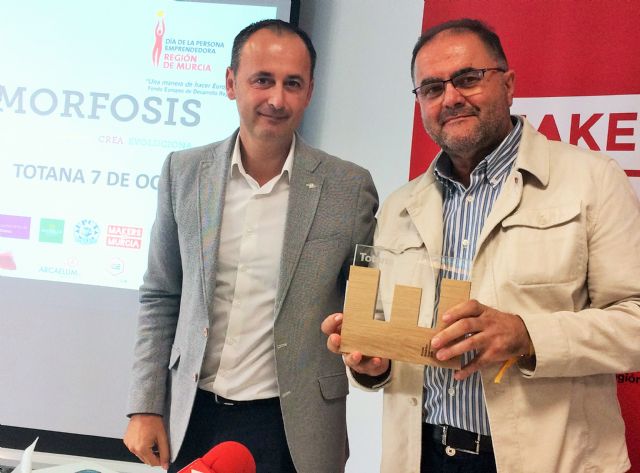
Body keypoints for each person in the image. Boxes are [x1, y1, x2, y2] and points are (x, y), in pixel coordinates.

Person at [323, 18, 640, 473]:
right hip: (424, 456)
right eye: (432, 88)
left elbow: (634, 320)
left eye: (468, 78)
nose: (451, 97)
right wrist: (373, 364)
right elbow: (395, 345)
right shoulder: (399, 207)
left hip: (549, 460)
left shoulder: (592, 181)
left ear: (508, 85)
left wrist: (527, 335)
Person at [124, 19, 378, 473]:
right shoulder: (184, 173)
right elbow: (161, 295)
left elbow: (366, 308)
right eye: (262, 80)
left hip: (294, 427)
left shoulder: (349, 188)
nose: (277, 99)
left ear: (310, 91)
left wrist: (371, 358)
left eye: (292, 83)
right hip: (192, 415)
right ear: (231, 83)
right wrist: (145, 405)